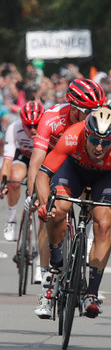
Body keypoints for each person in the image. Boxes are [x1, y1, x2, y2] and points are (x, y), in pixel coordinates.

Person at [34, 107, 111, 319]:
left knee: (103, 224)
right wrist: (44, 203)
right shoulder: (71, 136)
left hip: (105, 178)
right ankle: (55, 269)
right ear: (86, 134)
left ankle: (92, 293)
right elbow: (43, 174)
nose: (99, 147)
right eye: (94, 140)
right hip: (73, 170)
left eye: (106, 142)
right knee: (58, 210)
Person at [28, 78, 106, 303]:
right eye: (89, 111)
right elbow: (36, 163)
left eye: (98, 109)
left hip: (81, 161)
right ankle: (47, 280)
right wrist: (35, 197)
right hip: (53, 161)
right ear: (73, 109)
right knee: (49, 214)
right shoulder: (52, 119)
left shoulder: (98, 122)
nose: (94, 115)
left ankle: (83, 239)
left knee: (90, 203)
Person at [0, 101, 44, 264]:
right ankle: (11, 219)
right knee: (14, 178)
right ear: (22, 123)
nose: (32, 129)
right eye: (28, 126)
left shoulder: (49, 127)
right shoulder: (14, 128)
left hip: (44, 158)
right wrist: (3, 184)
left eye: (36, 125)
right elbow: (7, 161)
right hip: (24, 156)